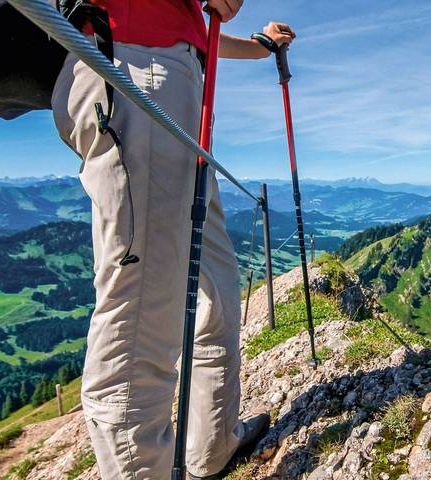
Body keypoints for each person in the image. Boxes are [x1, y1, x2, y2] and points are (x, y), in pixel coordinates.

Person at [50, 1, 295, 478]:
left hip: (165, 76)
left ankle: (212, 445)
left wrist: (260, 48)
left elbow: (200, 24)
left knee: (216, 289)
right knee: (141, 307)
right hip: (138, 67)